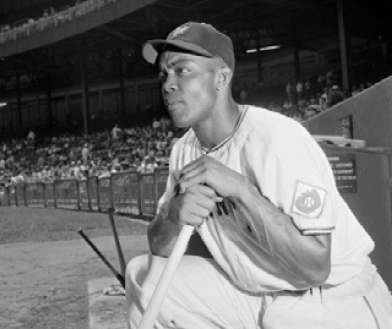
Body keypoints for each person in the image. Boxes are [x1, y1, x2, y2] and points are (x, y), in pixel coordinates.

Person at [125, 22, 392, 329]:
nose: (168, 84)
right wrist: (172, 215)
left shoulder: (279, 138)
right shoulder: (183, 151)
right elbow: (160, 246)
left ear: (221, 78)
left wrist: (243, 190)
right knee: (145, 275)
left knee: (283, 319)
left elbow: (317, 266)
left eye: (182, 70)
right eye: (164, 74)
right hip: (259, 293)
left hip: (333, 298)